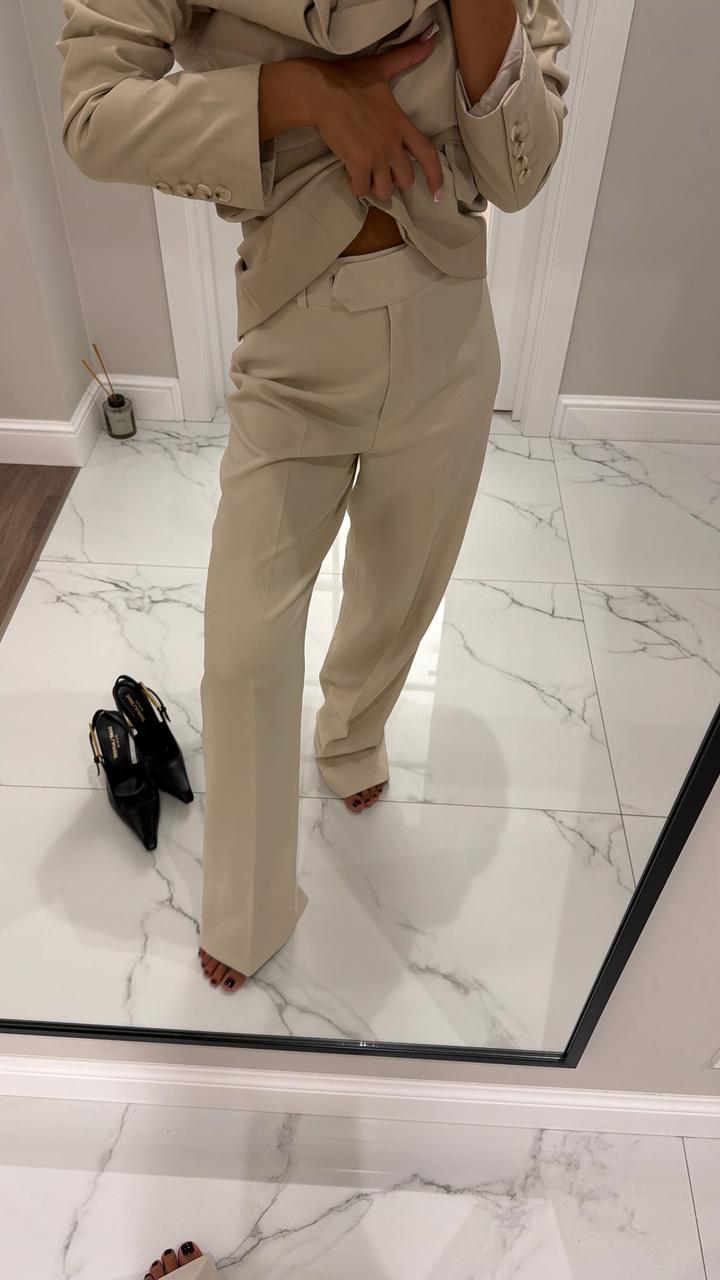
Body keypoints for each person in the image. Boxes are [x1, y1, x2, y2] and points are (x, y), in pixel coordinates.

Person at [56, 0, 572, 995]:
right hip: (293, 332)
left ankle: (352, 733)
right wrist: (297, 95)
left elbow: (519, 174)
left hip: (449, 321)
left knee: (403, 582)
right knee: (244, 645)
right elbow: (91, 114)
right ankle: (249, 902)